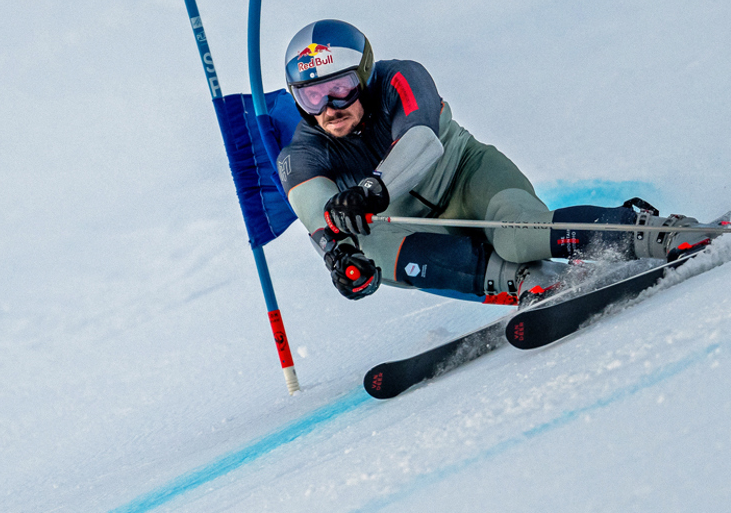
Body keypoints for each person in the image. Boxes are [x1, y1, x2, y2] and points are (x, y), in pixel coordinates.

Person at [276, 19, 708, 305]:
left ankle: (656, 233)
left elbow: (423, 143)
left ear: (366, 75)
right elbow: (314, 209)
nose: (329, 107)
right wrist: (338, 258)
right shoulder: (302, 151)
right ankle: (526, 280)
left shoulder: (399, 77)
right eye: (311, 96)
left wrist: (370, 190)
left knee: (517, 235)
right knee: (367, 245)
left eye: (342, 88)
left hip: (469, 177)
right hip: (422, 229)